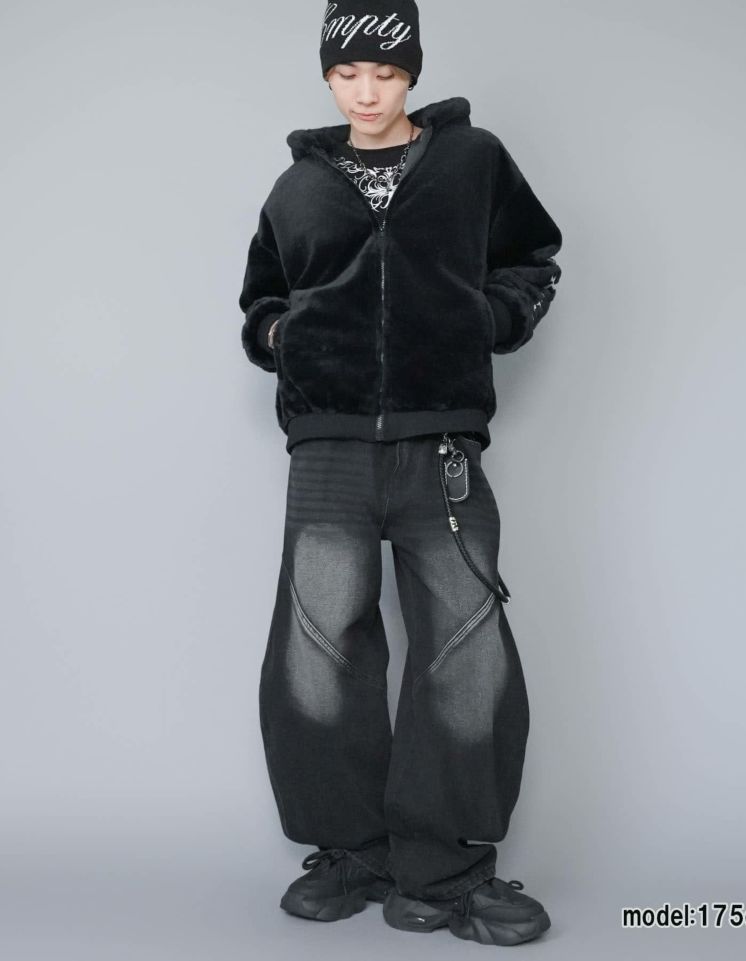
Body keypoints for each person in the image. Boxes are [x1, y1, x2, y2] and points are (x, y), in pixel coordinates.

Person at [237, 0, 563, 946]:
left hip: (441, 446)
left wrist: (486, 320)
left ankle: (444, 869)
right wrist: (284, 336)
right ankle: (356, 851)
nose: (367, 92)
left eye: (384, 72)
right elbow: (259, 301)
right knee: (318, 654)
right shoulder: (298, 187)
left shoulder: (473, 160)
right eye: (347, 73)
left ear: (412, 71)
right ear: (328, 76)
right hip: (329, 448)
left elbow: (531, 257)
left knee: (465, 650)